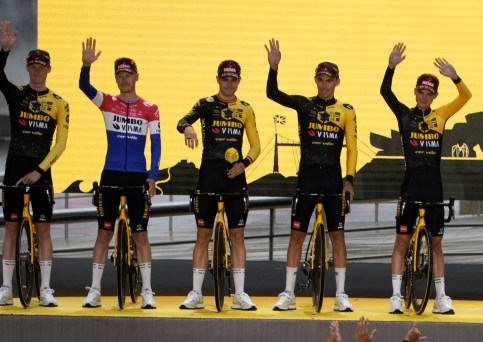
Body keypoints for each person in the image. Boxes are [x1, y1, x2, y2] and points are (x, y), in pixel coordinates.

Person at [265, 39, 357, 312]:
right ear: (315, 80)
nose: (325, 84)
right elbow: (273, 93)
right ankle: (289, 293)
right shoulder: (304, 105)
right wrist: (273, 67)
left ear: (337, 82)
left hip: (332, 181)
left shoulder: (346, 111)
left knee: (338, 237)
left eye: (329, 80)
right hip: (305, 180)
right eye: (321, 79)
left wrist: (349, 180)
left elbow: (351, 147)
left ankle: (340, 294)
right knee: (296, 237)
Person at [382, 43, 472, 315]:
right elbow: (385, 92)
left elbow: (465, 97)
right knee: (401, 242)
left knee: (436, 245)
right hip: (410, 187)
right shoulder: (405, 115)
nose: (424, 96)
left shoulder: (441, 115)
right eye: (421, 91)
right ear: (415, 92)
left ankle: (441, 297)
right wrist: (391, 67)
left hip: (434, 187)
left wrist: (455, 77)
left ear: (434, 96)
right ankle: (396, 296)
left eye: (429, 93)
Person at [0, 20, 69, 308]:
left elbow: (60, 144)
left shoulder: (60, 103)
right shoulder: (17, 94)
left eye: (42, 66)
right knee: (10, 228)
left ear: (49, 69)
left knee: (44, 229)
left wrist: (39, 171)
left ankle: (46, 288)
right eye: (33, 66)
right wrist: (4, 50)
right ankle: (5, 288)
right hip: (14, 167)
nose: (37, 70)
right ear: (27, 68)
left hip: (42, 171)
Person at [79, 37, 161, 309]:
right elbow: (84, 87)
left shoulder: (150, 109)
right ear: (116, 79)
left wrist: (152, 176)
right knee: (104, 233)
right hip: (111, 175)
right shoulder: (107, 102)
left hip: (137, 176)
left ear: (136, 76)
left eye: (128, 75)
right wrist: (86, 66)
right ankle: (95, 291)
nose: (124, 79)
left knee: (141, 235)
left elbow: (156, 144)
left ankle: (148, 291)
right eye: (119, 75)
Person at [177, 60, 261, 311]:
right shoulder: (206, 104)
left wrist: (244, 164)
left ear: (239, 81)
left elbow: (256, 145)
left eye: (233, 79)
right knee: (203, 235)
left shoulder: (245, 108)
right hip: (209, 175)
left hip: (235, 176)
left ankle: (240, 294)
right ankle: (195, 293)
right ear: (218, 79)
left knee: (237, 236)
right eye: (225, 79)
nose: (229, 83)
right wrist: (188, 128)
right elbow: (182, 120)